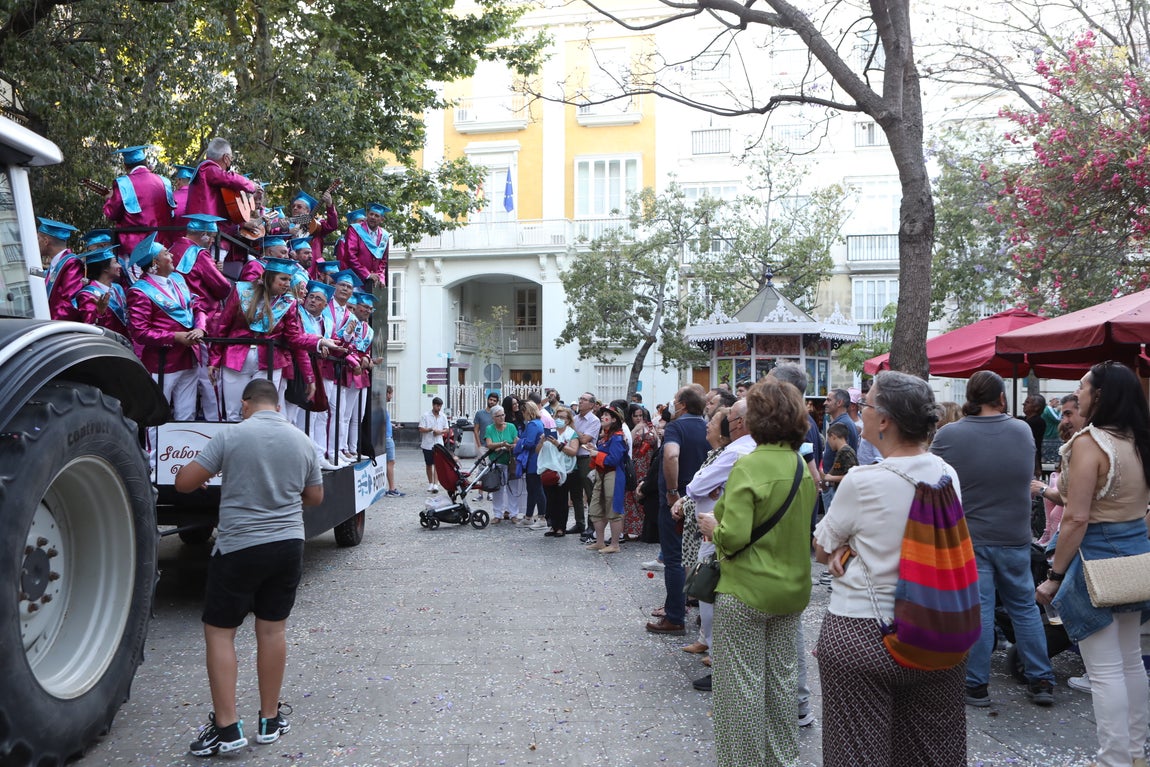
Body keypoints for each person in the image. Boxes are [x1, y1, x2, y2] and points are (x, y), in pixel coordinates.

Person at [813, 370, 967, 767]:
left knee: (857, 752)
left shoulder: (862, 481)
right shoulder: (947, 475)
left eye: (864, 404)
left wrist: (845, 546)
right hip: (937, 628)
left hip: (864, 631)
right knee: (930, 749)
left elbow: (821, 547)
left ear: (885, 420)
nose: (858, 412)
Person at [174, 378, 323, 756]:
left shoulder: (231, 436)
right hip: (289, 545)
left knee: (220, 633)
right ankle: (270, 721)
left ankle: (226, 728)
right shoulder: (302, 440)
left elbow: (184, 484)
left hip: (240, 546)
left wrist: (215, 478)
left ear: (245, 404)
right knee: (272, 632)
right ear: (277, 405)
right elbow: (315, 497)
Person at [696, 379, 815, 767]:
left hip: (746, 591)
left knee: (740, 692)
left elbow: (734, 536)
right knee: (781, 687)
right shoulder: (800, 465)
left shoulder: (749, 464)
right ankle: (782, 760)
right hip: (791, 590)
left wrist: (714, 527)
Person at [1036, 362, 1150, 767]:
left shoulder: (1090, 443)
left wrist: (1054, 577)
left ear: (1099, 395)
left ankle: (1114, 759)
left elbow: (1077, 518)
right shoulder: (1139, 439)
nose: (1078, 392)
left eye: (1082, 387)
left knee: (1104, 670)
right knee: (1130, 660)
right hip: (1137, 558)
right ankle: (1134, 752)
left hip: (1098, 561)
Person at [930, 370, 1055, 707]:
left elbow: (933, 480)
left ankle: (976, 685)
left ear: (970, 395)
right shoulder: (1022, 430)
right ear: (1001, 397)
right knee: (1025, 609)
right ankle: (1041, 679)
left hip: (970, 537)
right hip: (1015, 535)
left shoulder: (949, 436)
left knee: (980, 611)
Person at [676, 403, 752, 692]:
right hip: (744, 538)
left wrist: (708, 490)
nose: (712, 426)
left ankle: (720, 660)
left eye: (722, 420)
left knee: (711, 591)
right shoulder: (782, 457)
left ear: (738, 423)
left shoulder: (736, 452)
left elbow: (696, 487)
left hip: (723, 532)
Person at [647, 386, 709, 635]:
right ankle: (698, 611)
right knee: (699, 555)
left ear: (682, 405)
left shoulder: (676, 427)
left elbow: (671, 456)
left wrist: (673, 492)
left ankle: (674, 615)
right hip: (703, 499)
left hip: (678, 501)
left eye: (674, 401)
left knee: (674, 558)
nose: (671, 405)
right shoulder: (707, 426)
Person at [126, 233, 205, 424]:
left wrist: (200, 328)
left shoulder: (178, 279)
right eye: (166, 254)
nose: (172, 256)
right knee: (156, 419)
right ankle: (154, 455)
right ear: (155, 262)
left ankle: (181, 453)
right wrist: (175, 337)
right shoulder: (140, 291)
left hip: (189, 357)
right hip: (162, 363)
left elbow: (198, 307)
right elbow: (140, 332)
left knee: (186, 417)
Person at [103, 144, 177, 252]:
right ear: (146, 162)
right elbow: (172, 212)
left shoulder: (123, 183)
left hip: (136, 248)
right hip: (163, 246)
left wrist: (109, 200)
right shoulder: (164, 181)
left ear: (125, 165)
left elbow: (112, 213)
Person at [586, 404, 629, 553]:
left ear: (614, 420)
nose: (603, 417)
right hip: (601, 473)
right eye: (602, 414)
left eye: (607, 415)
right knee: (596, 508)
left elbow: (614, 459)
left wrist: (596, 454)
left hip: (613, 474)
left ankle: (615, 544)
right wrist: (595, 451)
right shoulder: (605, 436)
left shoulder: (617, 437)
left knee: (613, 508)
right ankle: (600, 542)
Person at [184, 138, 260, 223]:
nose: (230, 162)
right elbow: (230, 179)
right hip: (203, 227)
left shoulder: (205, 170)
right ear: (226, 158)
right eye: (231, 158)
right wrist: (251, 185)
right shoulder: (209, 169)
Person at [539, 405, 580, 536]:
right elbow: (538, 451)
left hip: (566, 470)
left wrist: (558, 444)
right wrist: (541, 442)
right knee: (550, 499)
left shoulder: (571, 434)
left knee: (562, 499)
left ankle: (561, 527)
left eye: (562, 417)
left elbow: (573, 451)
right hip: (549, 469)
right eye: (557, 416)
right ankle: (552, 525)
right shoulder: (549, 432)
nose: (559, 419)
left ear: (568, 420)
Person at [72, 246, 129, 336]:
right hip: (106, 344)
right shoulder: (87, 295)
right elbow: (90, 329)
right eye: (115, 263)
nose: (119, 266)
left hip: (124, 343)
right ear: (105, 269)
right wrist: (99, 312)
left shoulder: (118, 288)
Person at [623, 404, 658, 541]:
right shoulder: (628, 428)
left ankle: (643, 529)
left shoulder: (649, 426)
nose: (638, 418)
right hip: (634, 466)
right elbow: (626, 444)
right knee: (630, 498)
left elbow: (656, 444)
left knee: (643, 497)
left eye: (640, 416)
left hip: (647, 465)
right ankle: (626, 531)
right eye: (635, 416)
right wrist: (636, 430)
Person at [38, 217, 83, 321]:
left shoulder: (72, 263)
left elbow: (69, 303)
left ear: (46, 241)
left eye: (38, 239)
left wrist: (50, 324)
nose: (36, 243)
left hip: (59, 329)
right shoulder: (54, 265)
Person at [569, 392, 601, 537]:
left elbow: (584, 439)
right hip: (573, 457)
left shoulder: (594, 421)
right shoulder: (575, 418)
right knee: (575, 493)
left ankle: (592, 526)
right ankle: (579, 523)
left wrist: (573, 429)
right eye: (580, 398)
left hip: (586, 458)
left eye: (584, 399)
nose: (580, 401)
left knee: (590, 493)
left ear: (592, 404)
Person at [340, 202, 391, 285]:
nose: (373, 217)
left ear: (382, 219)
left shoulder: (384, 236)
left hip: (373, 283)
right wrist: (367, 274)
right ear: (367, 215)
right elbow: (350, 255)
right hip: (355, 280)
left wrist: (379, 276)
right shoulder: (355, 229)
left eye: (376, 216)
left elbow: (383, 261)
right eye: (371, 214)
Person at [516, 400, 547, 529]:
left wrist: (519, 443)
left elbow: (528, 443)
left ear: (527, 412)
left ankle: (541, 517)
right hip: (535, 458)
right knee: (533, 489)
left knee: (536, 489)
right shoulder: (538, 423)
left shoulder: (533, 425)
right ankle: (529, 516)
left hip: (534, 460)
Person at [484, 405, 519, 522]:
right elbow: (489, 444)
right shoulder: (490, 428)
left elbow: (515, 441)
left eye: (503, 415)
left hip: (510, 462)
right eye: (498, 416)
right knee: (497, 489)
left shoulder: (511, 427)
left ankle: (513, 514)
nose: (501, 418)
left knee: (512, 488)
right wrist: (501, 444)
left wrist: (509, 446)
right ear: (493, 418)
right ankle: (497, 514)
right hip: (496, 461)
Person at [820, 422, 858, 502]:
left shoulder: (846, 452)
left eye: (828, 439)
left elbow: (852, 475)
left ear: (833, 437)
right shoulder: (841, 452)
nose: (829, 443)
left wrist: (830, 478)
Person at [419, 396, 449, 493]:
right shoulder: (425, 416)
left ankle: (436, 484)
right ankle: (430, 483)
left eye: (440, 406)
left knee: (437, 464)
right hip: (427, 443)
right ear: (433, 405)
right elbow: (421, 429)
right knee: (428, 464)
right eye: (437, 406)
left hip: (439, 444)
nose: (438, 408)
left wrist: (440, 432)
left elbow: (447, 429)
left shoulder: (443, 416)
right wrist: (430, 429)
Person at [383, 385, 403, 496]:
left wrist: (392, 425)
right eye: (390, 394)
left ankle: (391, 487)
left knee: (389, 462)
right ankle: (391, 488)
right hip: (387, 438)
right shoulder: (382, 408)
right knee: (390, 462)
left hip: (387, 436)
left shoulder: (382, 408)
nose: (391, 396)